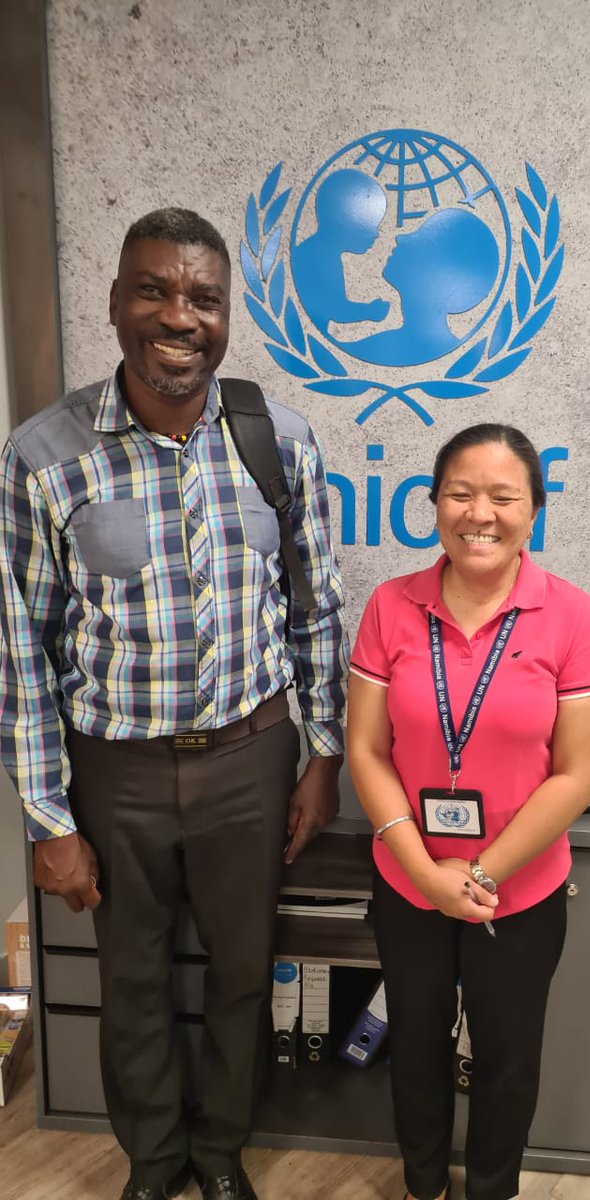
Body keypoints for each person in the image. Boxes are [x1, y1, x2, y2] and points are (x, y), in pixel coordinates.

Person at [0, 208, 349, 1200]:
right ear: (116, 304)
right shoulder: (43, 456)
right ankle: (154, 1162)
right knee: (136, 987)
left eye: (202, 297)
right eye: (154, 290)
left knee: (243, 973)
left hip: (254, 758)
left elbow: (317, 610)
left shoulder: (277, 441)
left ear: (225, 315)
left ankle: (219, 1151)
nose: (178, 316)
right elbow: (18, 651)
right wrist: (48, 818)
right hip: (117, 771)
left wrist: (321, 757)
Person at [347, 424, 590, 1200]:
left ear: (532, 511)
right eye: (461, 493)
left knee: (506, 1060)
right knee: (418, 1051)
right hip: (409, 886)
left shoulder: (570, 616)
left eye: (503, 496)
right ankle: (422, 1185)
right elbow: (367, 750)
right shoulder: (390, 607)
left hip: (520, 891)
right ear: (433, 504)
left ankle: (491, 1189)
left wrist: (481, 872)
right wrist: (426, 873)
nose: (480, 513)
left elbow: (577, 769)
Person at [335, 208, 500, 368]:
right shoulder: (376, 347)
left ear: (437, 268)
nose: (401, 237)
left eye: (422, 236)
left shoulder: (372, 349)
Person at [291, 168, 390, 334]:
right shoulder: (318, 256)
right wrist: (370, 311)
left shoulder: (320, 251)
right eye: (371, 224)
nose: (376, 233)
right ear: (345, 219)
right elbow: (336, 310)